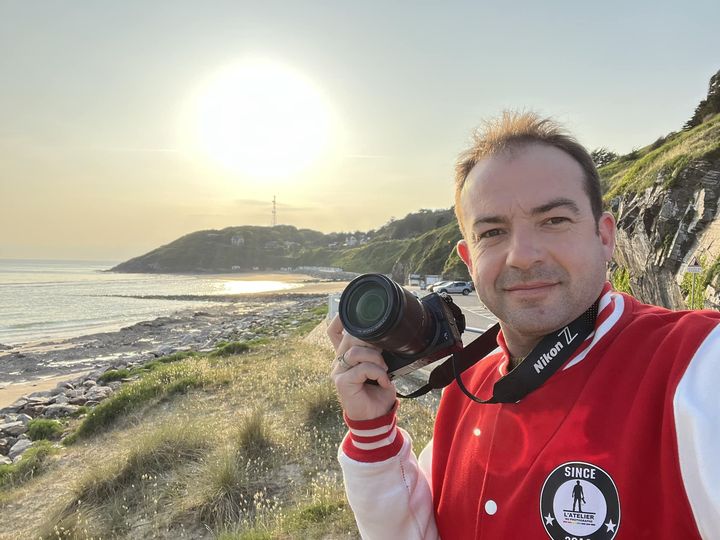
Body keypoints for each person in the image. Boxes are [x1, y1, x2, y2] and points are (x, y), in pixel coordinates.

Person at [328, 111, 720, 539]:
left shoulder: (694, 363)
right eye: (493, 232)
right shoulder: (467, 392)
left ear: (605, 237)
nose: (523, 255)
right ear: (469, 259)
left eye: (554, 221)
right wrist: (372, 428)